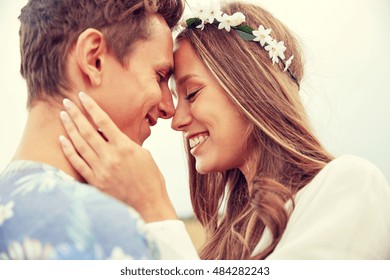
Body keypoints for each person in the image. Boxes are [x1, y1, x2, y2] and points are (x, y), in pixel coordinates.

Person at [57, 1, 390, 259]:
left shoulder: (351, 184)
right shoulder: (229, 236)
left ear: (248, 86)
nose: (176, 120)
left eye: (192, 93)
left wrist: (154, 208)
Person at [0, 0, 196, 260]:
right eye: (159, 76)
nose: (168, 108)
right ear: (94, 59)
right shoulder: (105, 229)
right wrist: (157, 212)